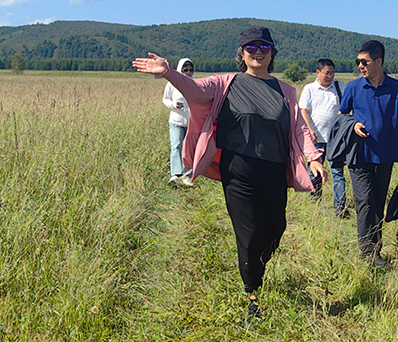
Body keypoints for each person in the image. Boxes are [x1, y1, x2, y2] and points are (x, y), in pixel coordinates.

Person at [133, 26, 326, 327]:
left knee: (275, 228)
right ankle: (253, 296)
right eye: (251, 47)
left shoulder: (285, 90)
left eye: (264, 46)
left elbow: (299, 129)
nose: (258, 51)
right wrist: (169, 72)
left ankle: (258, 266)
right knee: (249, 235)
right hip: (238, 171)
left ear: (272, 52)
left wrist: (313, 158)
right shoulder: (226, 83)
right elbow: (195, 90)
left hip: (274, 170)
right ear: (241, 53)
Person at [338, 40, 398, 267]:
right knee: (364, 201)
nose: (360, 66)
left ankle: (375, 247)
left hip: (385, 155)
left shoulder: (397, 87)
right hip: (359, 156)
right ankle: (368, 252)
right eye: (358, 62)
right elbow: (342, 115)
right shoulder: (353, 87)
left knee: (378, 202)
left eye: (365, 62)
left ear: (379, 61)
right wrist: (352, 125)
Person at [299, 58, 348, 217]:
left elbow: (347, 108)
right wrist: (309, 130)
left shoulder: (340, 87)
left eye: (332, 73)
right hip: (316, 139)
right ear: (318, 72)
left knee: (337, 173)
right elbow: (303, 110)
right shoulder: (309, 89)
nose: (330, 76)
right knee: (314, 173)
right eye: (327, 73)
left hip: (336, 140)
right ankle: (315, 206)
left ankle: (340, 209)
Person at [162, 58, 194, 187]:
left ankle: (188, 176)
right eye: (185, 69)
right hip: (176, 121)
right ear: (179, 70)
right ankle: (175, 175)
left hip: (191, 123)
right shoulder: (172, 84)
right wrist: (174, 105)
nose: (188, 72)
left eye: (191, 70)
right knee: (176, 146)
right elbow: (165, 99)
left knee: (189, 150)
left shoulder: (194, 84)